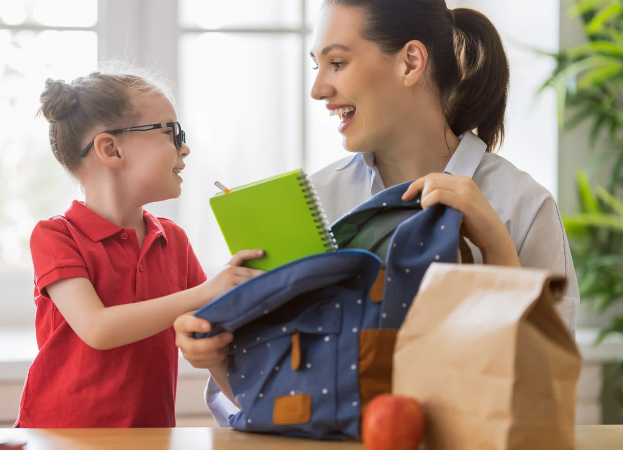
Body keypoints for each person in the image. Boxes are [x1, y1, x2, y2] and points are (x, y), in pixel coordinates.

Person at [174, 0, 580, 426]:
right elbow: (279, 393)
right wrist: (215, 356)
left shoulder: (522, 205)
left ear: (410, 62)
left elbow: (546, 389)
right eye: (318, 65)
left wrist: (495, 242)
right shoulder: (316, 201)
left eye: (337, 62)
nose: (318, 89)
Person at [15, 69, 264, 428]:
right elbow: (98, 328)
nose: (185, 147)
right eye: (170, 132)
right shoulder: (56, 236)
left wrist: (263, 410)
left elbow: (209, 339)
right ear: (111, 148)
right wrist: (207, 290)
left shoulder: (173, 242)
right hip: (59, 440)